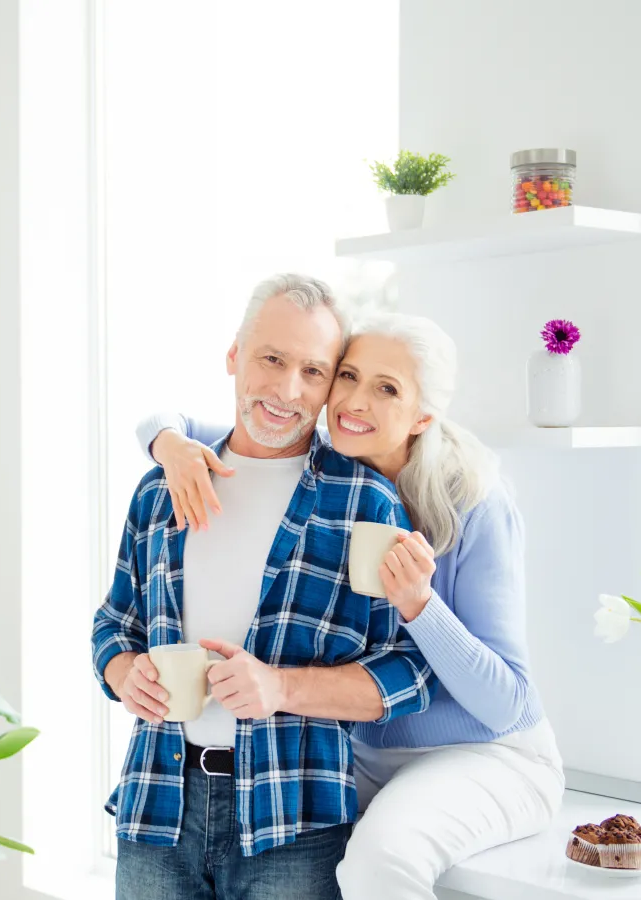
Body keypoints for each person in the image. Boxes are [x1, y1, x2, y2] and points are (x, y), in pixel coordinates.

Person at [137, 307, 564, 900]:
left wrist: (419, 605)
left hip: (485, 753)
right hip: (364, 749)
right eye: (347, 376)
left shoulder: (474, 503)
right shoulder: (329, 476)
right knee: (281, 828)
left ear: (422, 417)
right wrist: (168, 446)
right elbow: (186, 424)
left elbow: (507, 704)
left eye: (386, 388)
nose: (354, 401)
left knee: (376, 861)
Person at [91, 274, 432, 900]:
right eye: (271, 359)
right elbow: (113, 622)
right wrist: (122, 671)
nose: (287, 389)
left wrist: (279, 687)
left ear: (331, 385)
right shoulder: (161, 487)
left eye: (312, 370)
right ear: (234, 356)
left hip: (294, 822)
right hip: (157, 810)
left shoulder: (366, 505)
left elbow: (409, 672)